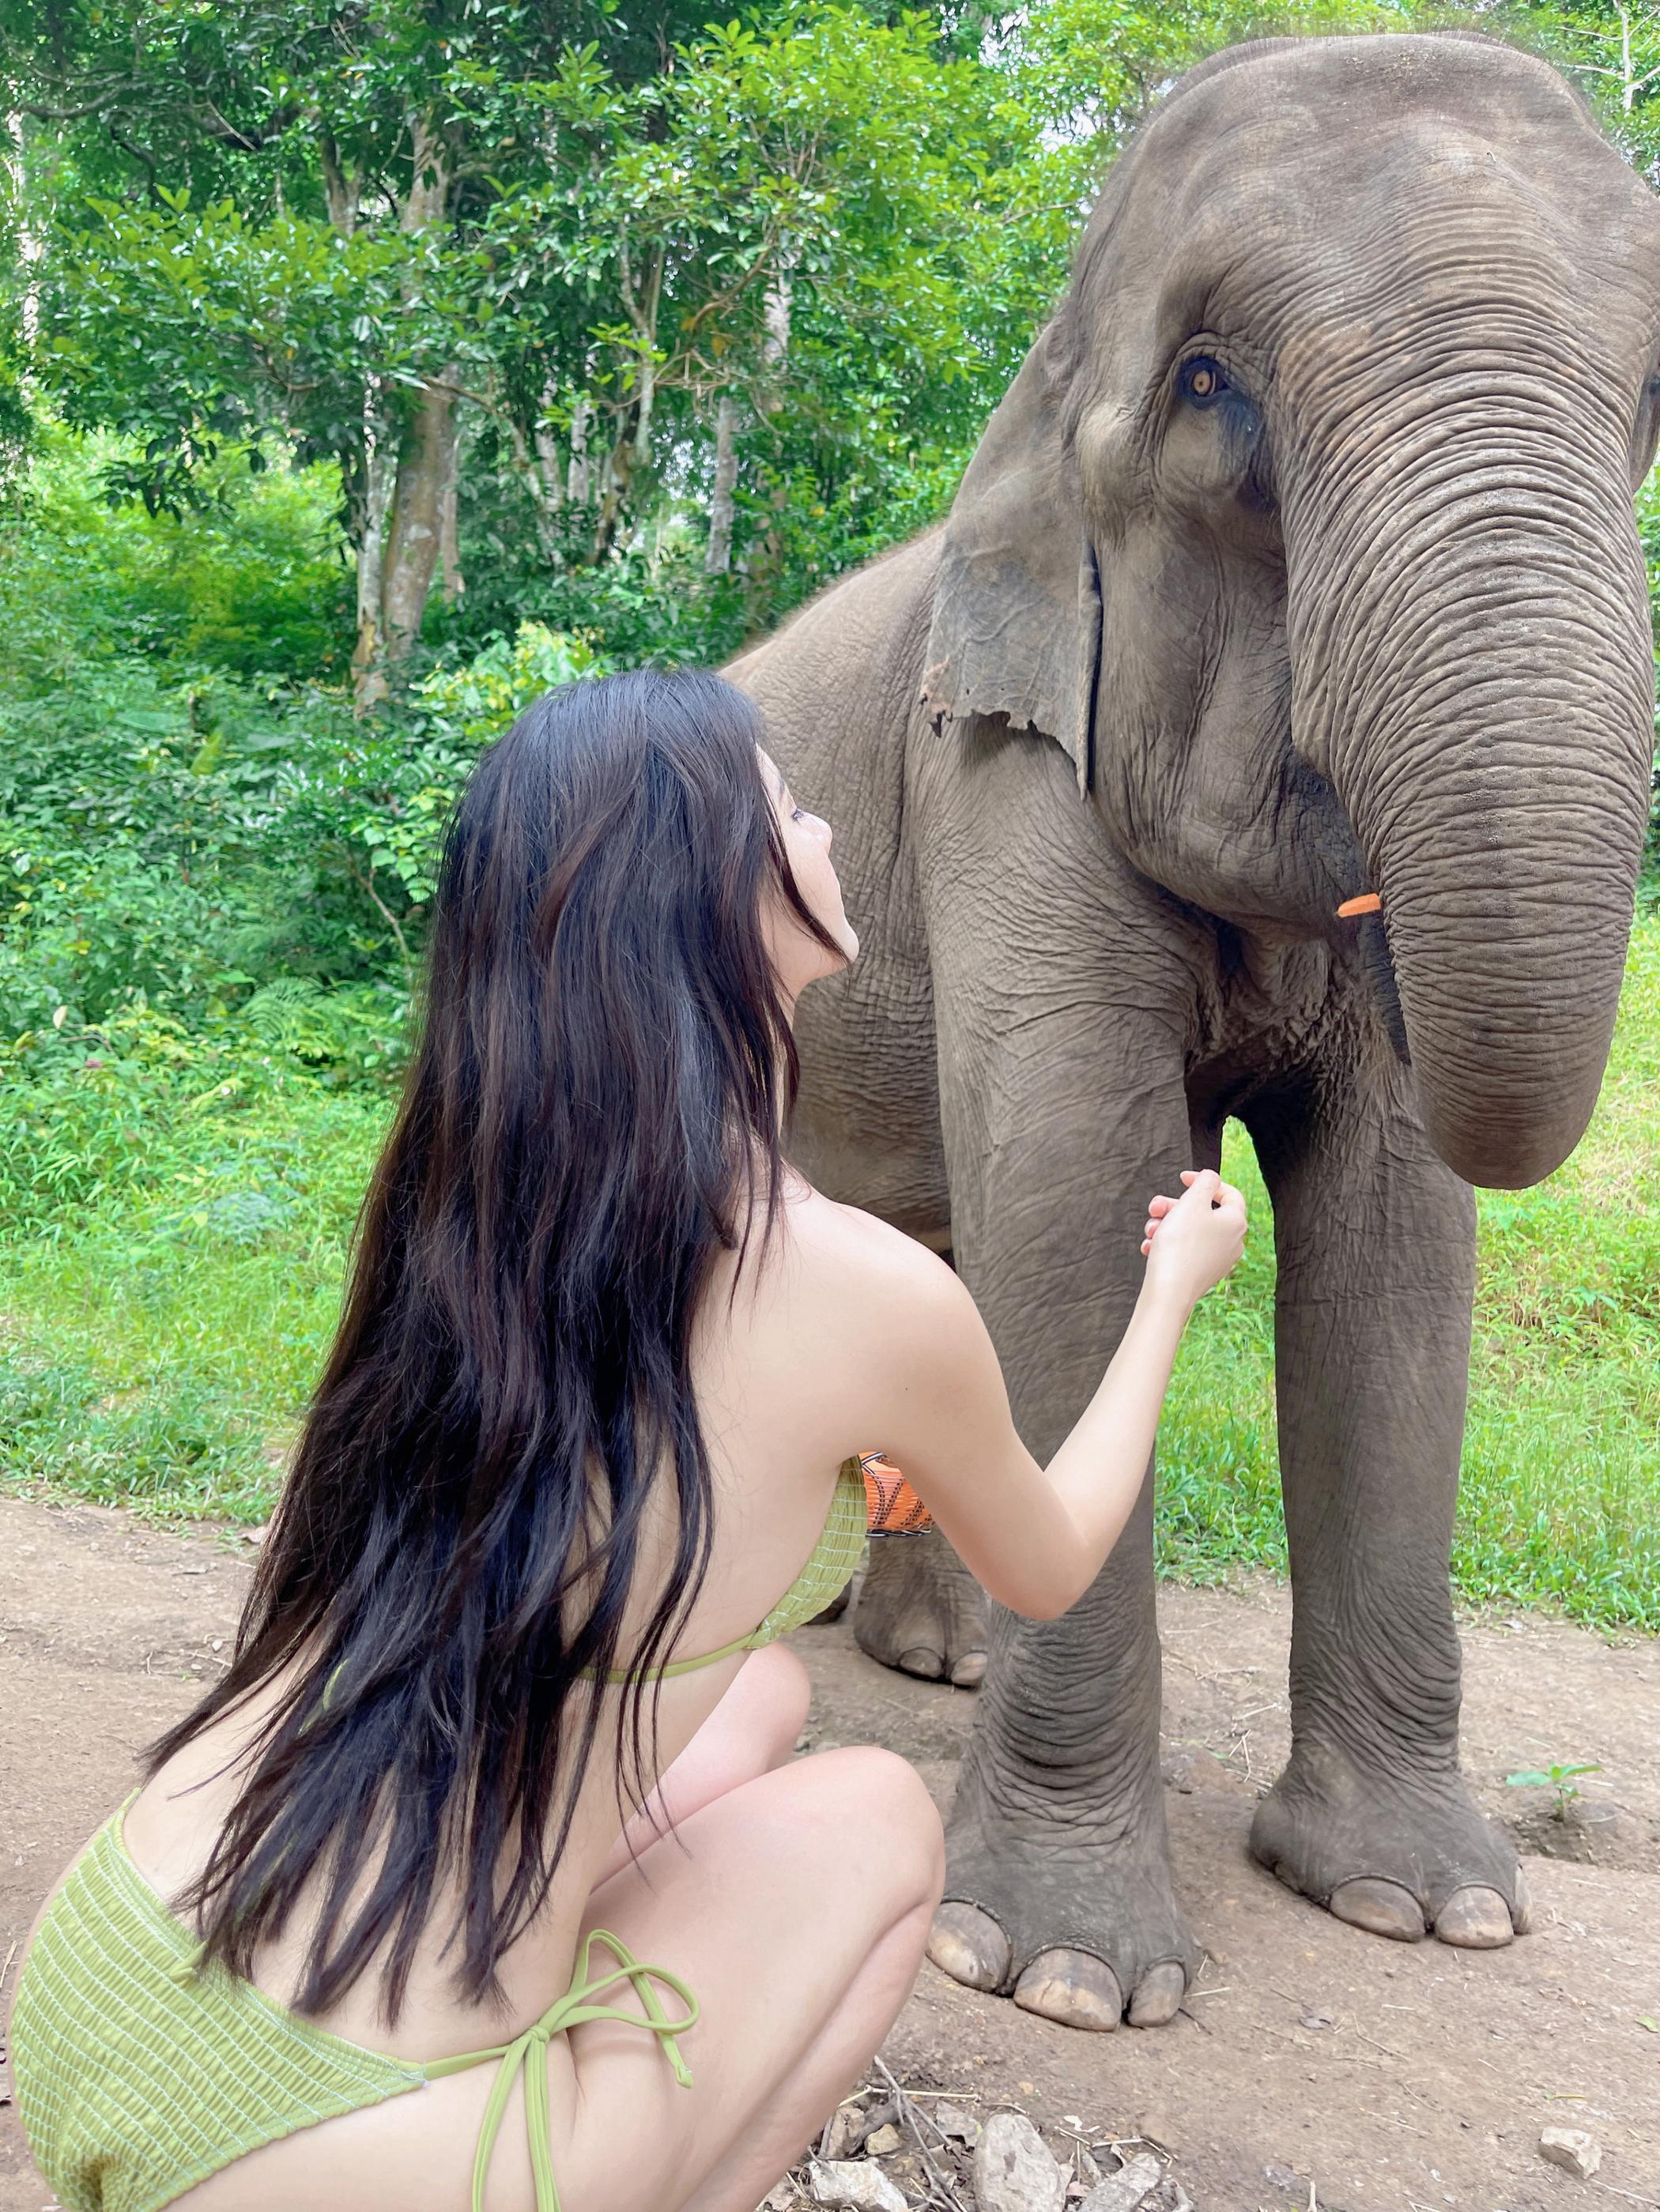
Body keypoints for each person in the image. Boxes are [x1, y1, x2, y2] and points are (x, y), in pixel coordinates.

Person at [8, 669, 1246, 2212]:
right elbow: (1050, 1567)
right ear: (720, 889)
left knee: (767, 1691)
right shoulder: (860, 1287)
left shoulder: (472, 1204)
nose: (825, 829)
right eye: (789, 807)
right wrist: (1170, 1291)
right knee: (874, 1818)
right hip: (332, 2139)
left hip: (106, 1965)